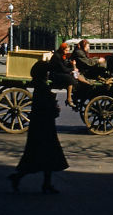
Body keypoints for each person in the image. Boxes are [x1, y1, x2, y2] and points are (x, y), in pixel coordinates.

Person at [7, 60, 68, 193]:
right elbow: (44, 107)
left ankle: (43, 182)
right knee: (42, 155)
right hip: (44, 126)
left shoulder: (39, 86)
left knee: (42, 156)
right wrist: (54, 108)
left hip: (41, 125)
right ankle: (21, 177)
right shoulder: (42, 88)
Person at [49, 43, 89, 107]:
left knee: (73, 76)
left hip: (59, 72)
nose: (66, 52)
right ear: (62, 49)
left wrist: (71, 64)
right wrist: (72, 69)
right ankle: (69, 99)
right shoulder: (57, 56)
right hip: (55, 74)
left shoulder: (61, 55)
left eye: (67, 51)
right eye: (66, 50)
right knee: (69, 78)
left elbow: (64, 66)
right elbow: (63, 69)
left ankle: (73, 95)